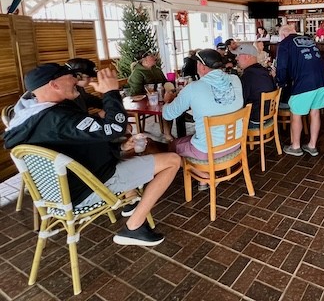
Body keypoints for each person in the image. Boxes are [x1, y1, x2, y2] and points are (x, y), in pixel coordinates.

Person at [4, 63, 180, 246]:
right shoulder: (56, 119)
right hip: (90, 187)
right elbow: (115, 127)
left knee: (132, 151)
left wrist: (119, 148)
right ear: (54, 84)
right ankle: (134, 226)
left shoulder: (32, 117)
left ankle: (131, 200)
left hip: (62, 191)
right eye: (70, 76)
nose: (75, 80)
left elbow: (79, 146)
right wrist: (111, 92)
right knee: (172, 160)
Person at [162, 49, 243, 167]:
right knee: (190, 139)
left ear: (202, 67)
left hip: (207, 151)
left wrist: (167, 101)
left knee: (173, 145)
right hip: (235, 143)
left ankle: (203, 175)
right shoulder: (235, 79)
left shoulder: (193, 88)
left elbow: (168, 115)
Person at [276, 24, 324, 157]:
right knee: (315, 113)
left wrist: (280, 82)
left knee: (296, 114)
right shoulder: (308, 40)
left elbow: (281, 67)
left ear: (283, 35)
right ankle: (312, 145)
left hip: (304, 82)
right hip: (322, 80)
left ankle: (295, 146)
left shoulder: (285, 43)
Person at [234, 43, 276, 128]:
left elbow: (241, 101)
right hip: (268, 115)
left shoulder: (248, 76)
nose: (236, 58)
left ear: (247, 57)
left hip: (254, 119)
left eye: (238, 55)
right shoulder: (264, 71)